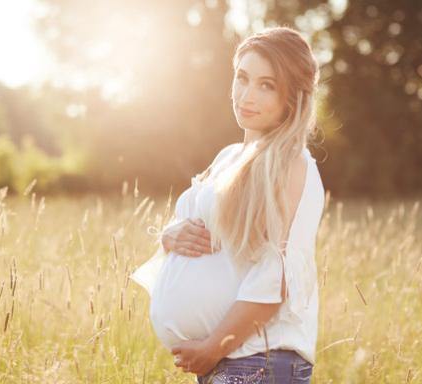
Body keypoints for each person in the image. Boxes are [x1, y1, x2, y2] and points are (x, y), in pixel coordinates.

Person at [130, 26, 325, 384]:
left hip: (257, 363)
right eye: (242, 78)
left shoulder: (291, 163)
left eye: (267, 85)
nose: (246, 95)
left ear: (292, 98)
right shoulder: (229, 157)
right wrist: (169, 236)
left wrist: (213, 348)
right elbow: (211, 238)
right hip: (231, 363)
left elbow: (275, 276)